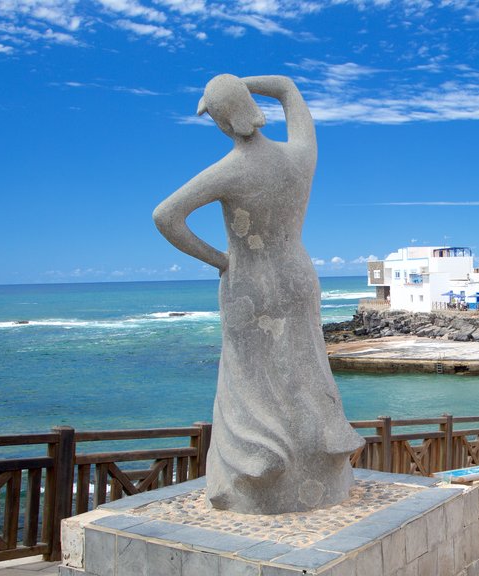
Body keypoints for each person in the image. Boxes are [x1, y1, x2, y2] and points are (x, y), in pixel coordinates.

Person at [154, 74, 363, 514]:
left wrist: (221, 261)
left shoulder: (231, 169)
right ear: (250, 107)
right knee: (305, 364)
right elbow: (287, 87)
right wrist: (238, 85)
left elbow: (166, 216)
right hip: (297, 275)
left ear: (222, 121)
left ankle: (258, 457)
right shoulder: (299, 156)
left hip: (250, 281)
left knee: (247, 378)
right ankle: (327, 437)